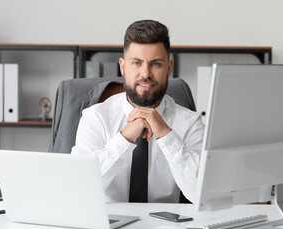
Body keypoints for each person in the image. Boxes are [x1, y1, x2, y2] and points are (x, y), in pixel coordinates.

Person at [71, 20, 204, 203]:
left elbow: (202, 195)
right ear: (123, 66)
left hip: (165, 228)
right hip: (107, 226)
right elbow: (79, 189)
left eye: (156, 64)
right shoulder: (95, 117)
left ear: (169, 68)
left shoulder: (190, 122)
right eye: (136, 63)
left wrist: (166, 134)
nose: (145, 73)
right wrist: (124, 138)